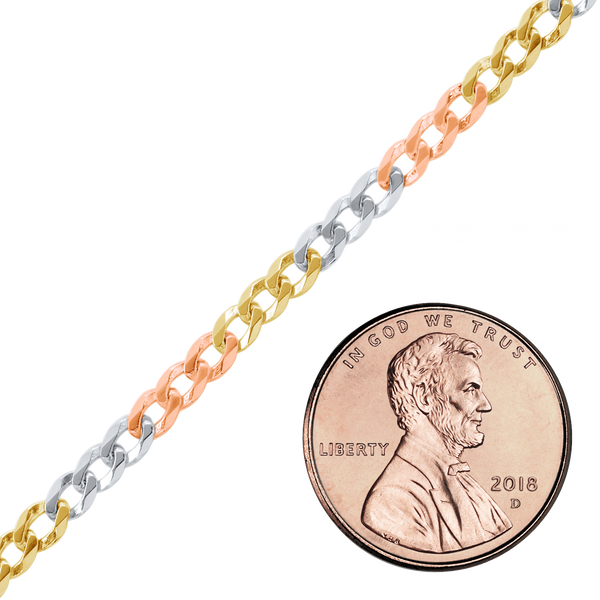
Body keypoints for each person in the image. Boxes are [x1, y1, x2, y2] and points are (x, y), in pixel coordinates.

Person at [361, 332, 512, 553]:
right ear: (424, 397)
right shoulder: (392, 501)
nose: (486, 405)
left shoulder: (465, 483)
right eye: (470, 390)